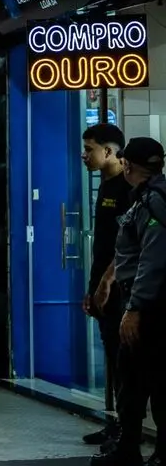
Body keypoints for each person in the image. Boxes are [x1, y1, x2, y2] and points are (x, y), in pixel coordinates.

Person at [92, 137, 166, 466]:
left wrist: (135, 308)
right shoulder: (144, 197)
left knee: (156, 383)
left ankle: (160, 458)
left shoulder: (154, 201)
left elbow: (152, 260)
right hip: (141, 303)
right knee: (132, 378)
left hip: (151, 309)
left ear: (128, 165)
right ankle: (127, 446)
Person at [80, 124, 132, 448]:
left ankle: (127, 433)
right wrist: (92, 288)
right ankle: (116, 424)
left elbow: (125, 246)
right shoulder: (105, 185)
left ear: (109, 151)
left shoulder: (127, 188)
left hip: (120, 290)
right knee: (112, 359)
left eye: (90, 149)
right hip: (102, 290)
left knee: (124, 362)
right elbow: (101, 246)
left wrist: (106, 284)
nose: (84, 155)